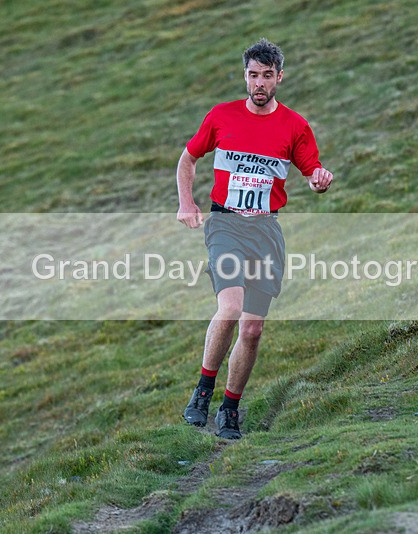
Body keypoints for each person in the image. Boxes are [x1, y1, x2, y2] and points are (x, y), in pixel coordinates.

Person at [176, 38, 334, 439]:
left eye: (267, 76)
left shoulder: (294, 126)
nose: (259, 83)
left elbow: (312, 170)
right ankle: (202, 390)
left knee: (252, 329)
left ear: (279, 77)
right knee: (230, 309)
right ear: (244, 76)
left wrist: (319, 180)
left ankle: (229, 409)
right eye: (252, 75)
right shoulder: (222, 117)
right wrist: (187, 204)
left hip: (265, 231)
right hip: (226, 225)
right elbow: (188, 158)